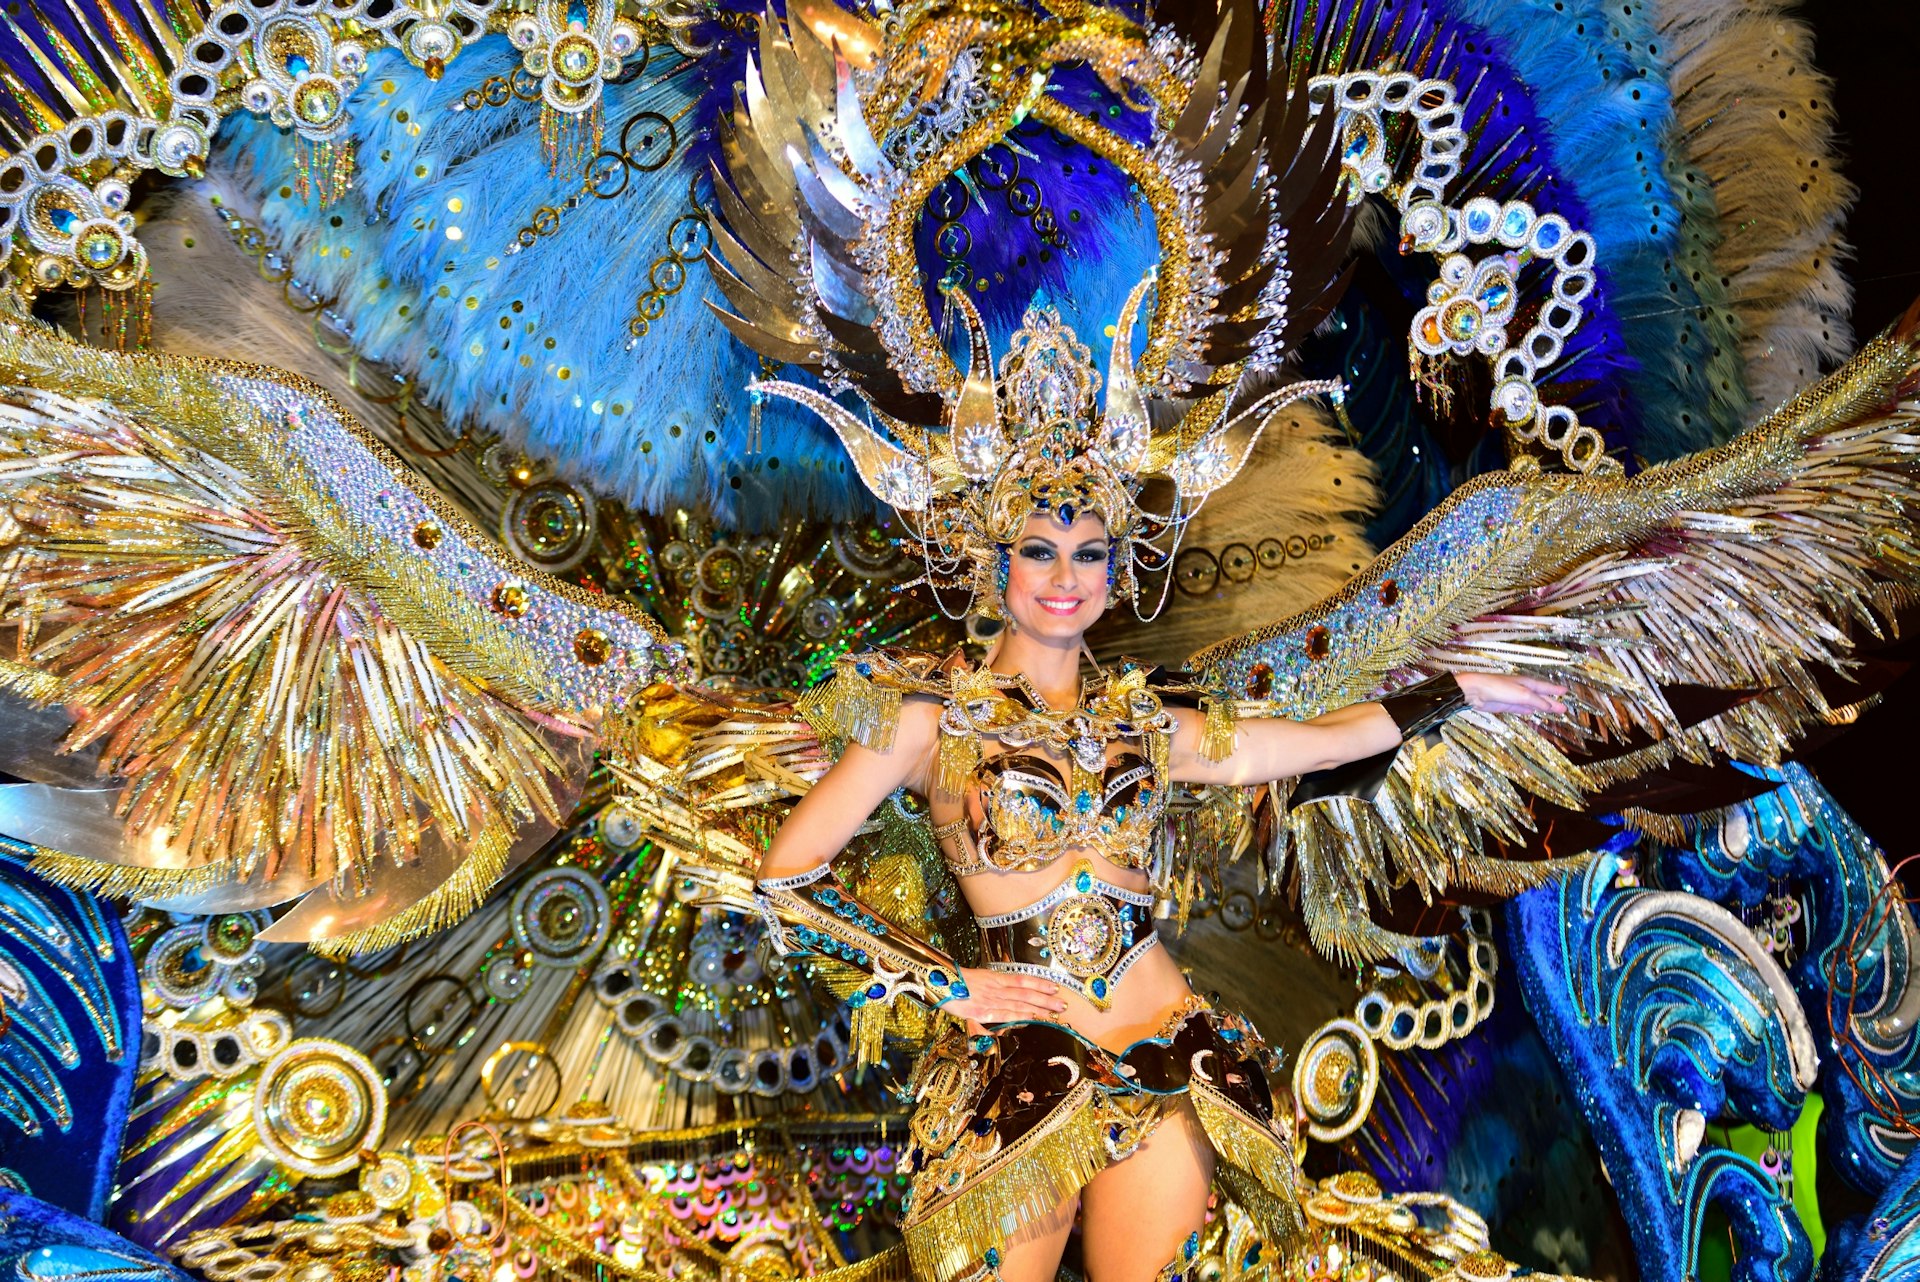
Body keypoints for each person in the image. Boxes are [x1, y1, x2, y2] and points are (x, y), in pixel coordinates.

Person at [755, 501, 1564, 1281]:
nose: (1065, 575)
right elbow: (786, 876)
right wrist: (942, 982)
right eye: (1039, 549)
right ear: (992, 563)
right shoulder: (932, 722)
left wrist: (1455, 688)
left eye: (1091, 554)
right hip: (1020, 1064)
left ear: (1117, 571)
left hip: (1166, 1050)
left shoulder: (1145, 724)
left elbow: (1314, 746)